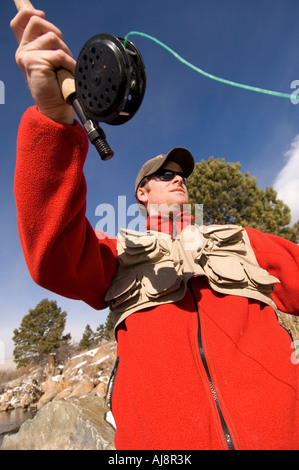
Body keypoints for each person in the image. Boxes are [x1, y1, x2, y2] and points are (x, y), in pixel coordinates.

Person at [11, 8, 299, 450]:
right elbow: (50, 254)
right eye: (164, 175)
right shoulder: (115, 254)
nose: (178, 178)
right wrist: (53, 118)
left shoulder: (244, 239)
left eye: (180, 173)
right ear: (142, 193)